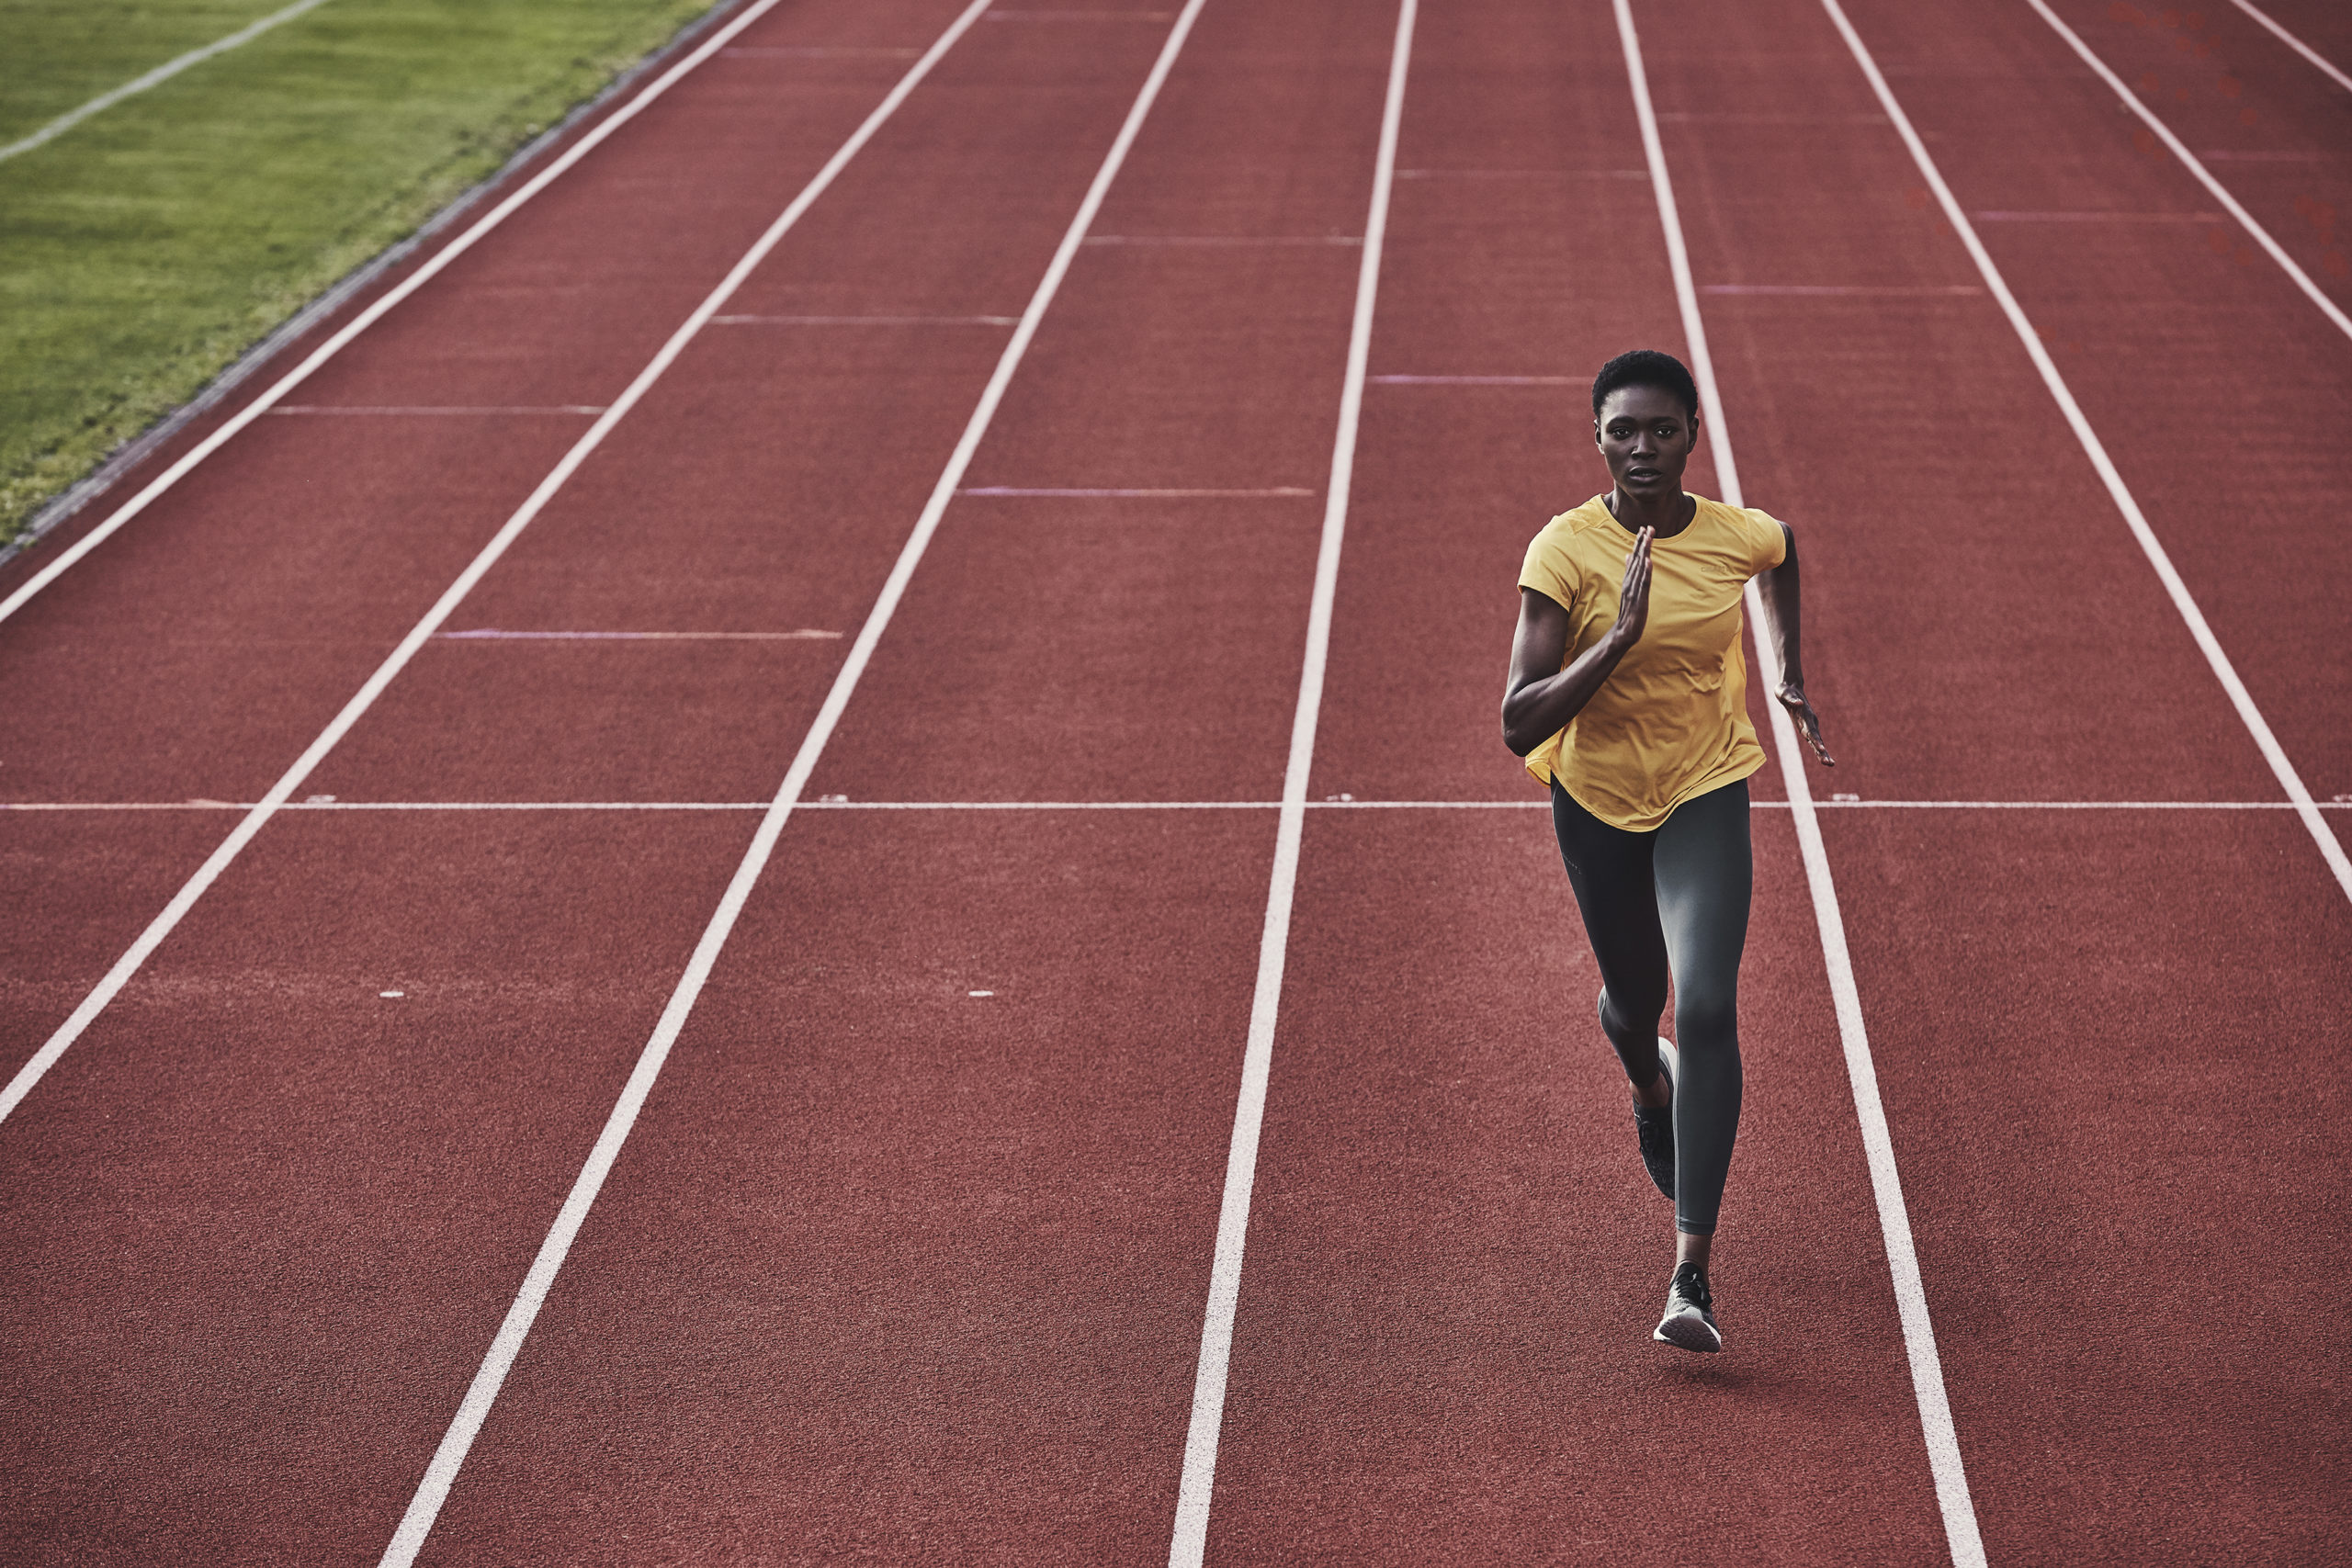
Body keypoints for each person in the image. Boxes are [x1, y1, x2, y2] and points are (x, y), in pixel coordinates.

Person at [1499, 349, 1832, 1353]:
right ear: (1596, 439)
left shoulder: (1736, 534)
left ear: (1694, 431)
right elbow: (1517, 720)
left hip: (1704, 786)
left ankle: (1690, 1273)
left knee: (1709, 1003)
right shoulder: (1562, 550)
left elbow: (1782, 556)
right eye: (1620, 431)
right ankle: (1646, 1076)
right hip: (1596, 798)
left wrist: (1785, 670)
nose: (1641, 447)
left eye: (1660, 429)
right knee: (1635, 1003)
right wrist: (1616, 641)